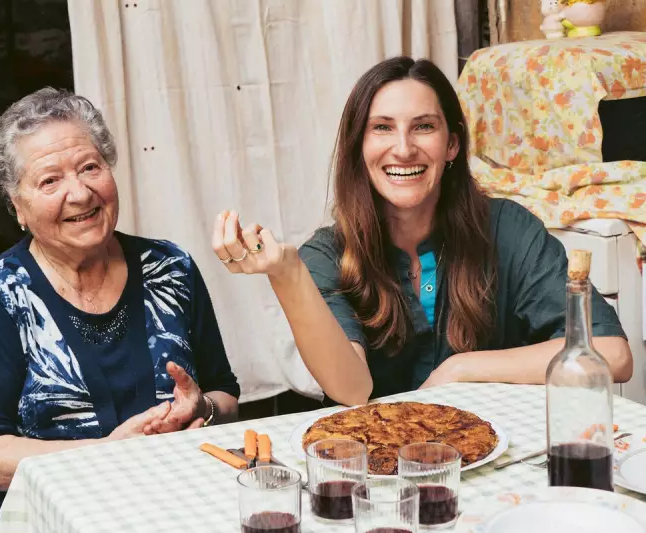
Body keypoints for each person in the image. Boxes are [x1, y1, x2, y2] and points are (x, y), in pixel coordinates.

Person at [212, 56, 632, 407]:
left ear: (451, 145)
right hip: (379, 472)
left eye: (423, 126)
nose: (403, 147)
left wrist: (462, 369)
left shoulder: (509, 228)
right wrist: (288, 275)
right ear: (360, 147)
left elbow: (613, 353)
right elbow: (352, 390)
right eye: (382, 127)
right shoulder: (326, 254)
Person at [0, 88, 239, 533]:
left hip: (167, 508)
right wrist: (106, 452)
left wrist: (203, 409)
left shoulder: (171, 269)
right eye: (49, 181)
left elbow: (225, 395)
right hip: (36, 519)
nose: (79, 193)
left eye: (90, 167)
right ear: (18, 207)